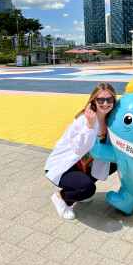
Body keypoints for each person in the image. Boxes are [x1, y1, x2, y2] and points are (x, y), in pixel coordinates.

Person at [45, 83, 117, 220]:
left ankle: (81, 190)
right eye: (101, 99)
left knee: (117, 161)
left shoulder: (110, 121)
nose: (105, 103)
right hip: (67, 167)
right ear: (94, 101)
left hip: (85, 167)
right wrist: (90, 126)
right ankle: (61, 197)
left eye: (110, 99)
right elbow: (78, 149)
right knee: (87, 189)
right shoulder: (83, 119)